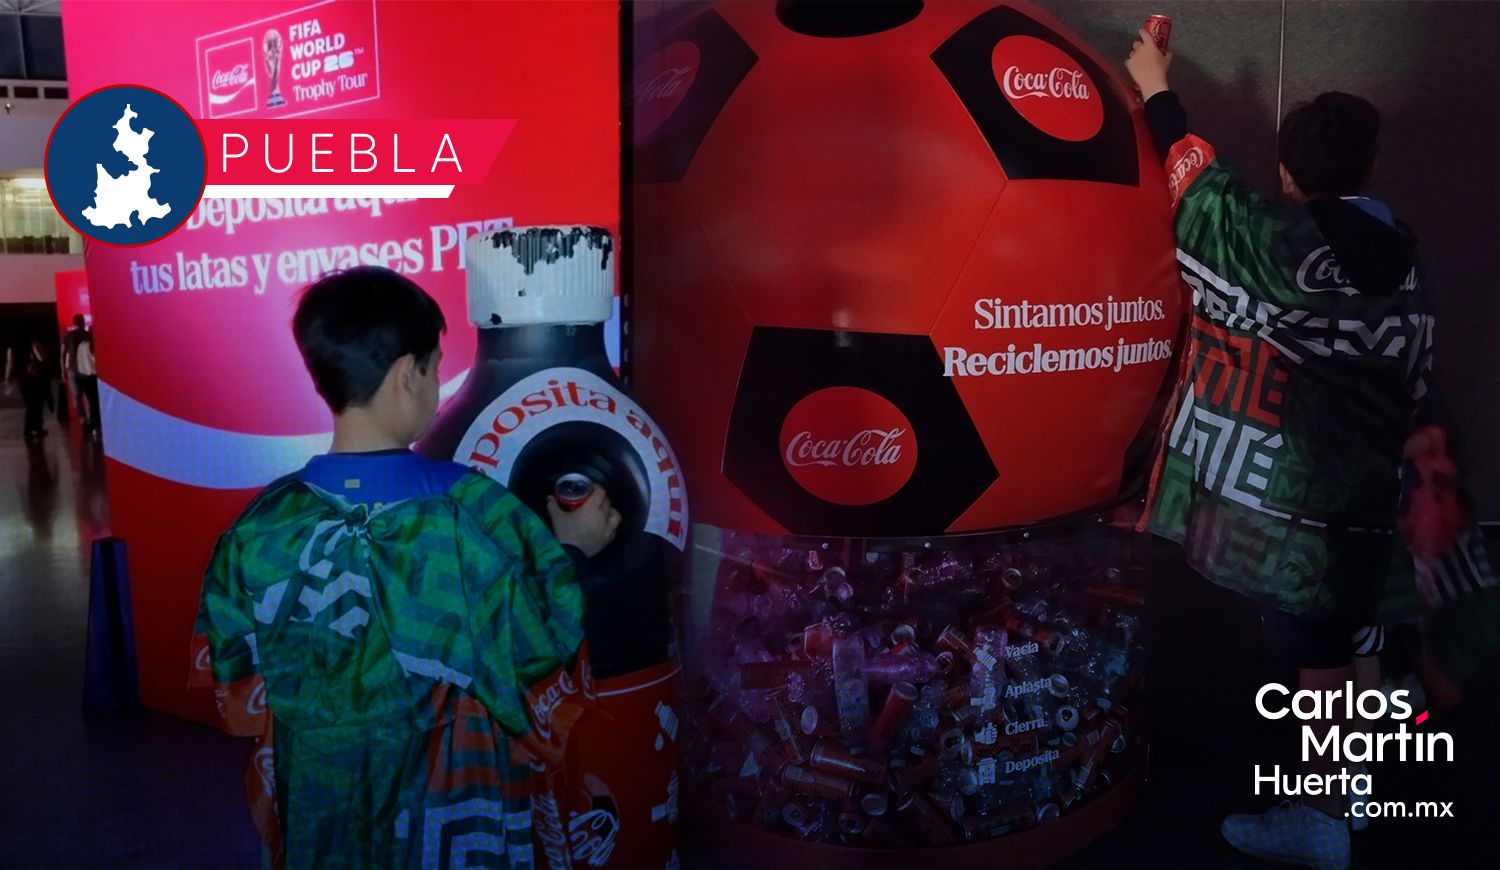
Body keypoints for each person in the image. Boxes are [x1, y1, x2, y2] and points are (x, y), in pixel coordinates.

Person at [190, 266, 621, 868]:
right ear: (406, 375)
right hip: (451, 803)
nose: (436, 385)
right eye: (435, 369)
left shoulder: (258, 526)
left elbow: (237, 686)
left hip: (322, 808)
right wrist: (572, 548)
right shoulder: (470, 510)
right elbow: (537, 650)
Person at [1127, 28, 1432, 870]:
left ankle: (1322, 823)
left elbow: (1198, 183)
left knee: (1316, 664)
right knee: (1358, 641)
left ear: (1288, 175)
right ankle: (1357, 793)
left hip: (1299, 514)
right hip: (1379, 500)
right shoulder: (1407, 258)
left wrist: (1154, 81)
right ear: (1370, 169)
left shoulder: (1268, 241)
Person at [6, 337, 52, 440]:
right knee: (38, 404)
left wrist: (7, 378)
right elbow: (41, 357)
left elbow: (10, 363)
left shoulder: (12, 348)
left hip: (22, 379)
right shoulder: (32, 343)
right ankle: (35, 428)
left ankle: (30, 429)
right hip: (34, 377)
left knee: (30, 404)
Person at [74, 330, 101, 439]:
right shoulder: (94, 345)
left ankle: (93, 426)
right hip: (94, 377)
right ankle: (96, 426)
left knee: (91, 403)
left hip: (85, 377)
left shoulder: (81, 346)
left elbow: (78, 362)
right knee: (96, 403)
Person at [62, 314, 88, 423]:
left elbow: (63, 353)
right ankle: (90, 418)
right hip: (86, 369)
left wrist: (63, 370)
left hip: (73, 369)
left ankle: (83, 418)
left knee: (77, 396)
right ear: (83, 322)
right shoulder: (87, 335)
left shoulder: (68, 335)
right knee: (89, 395)